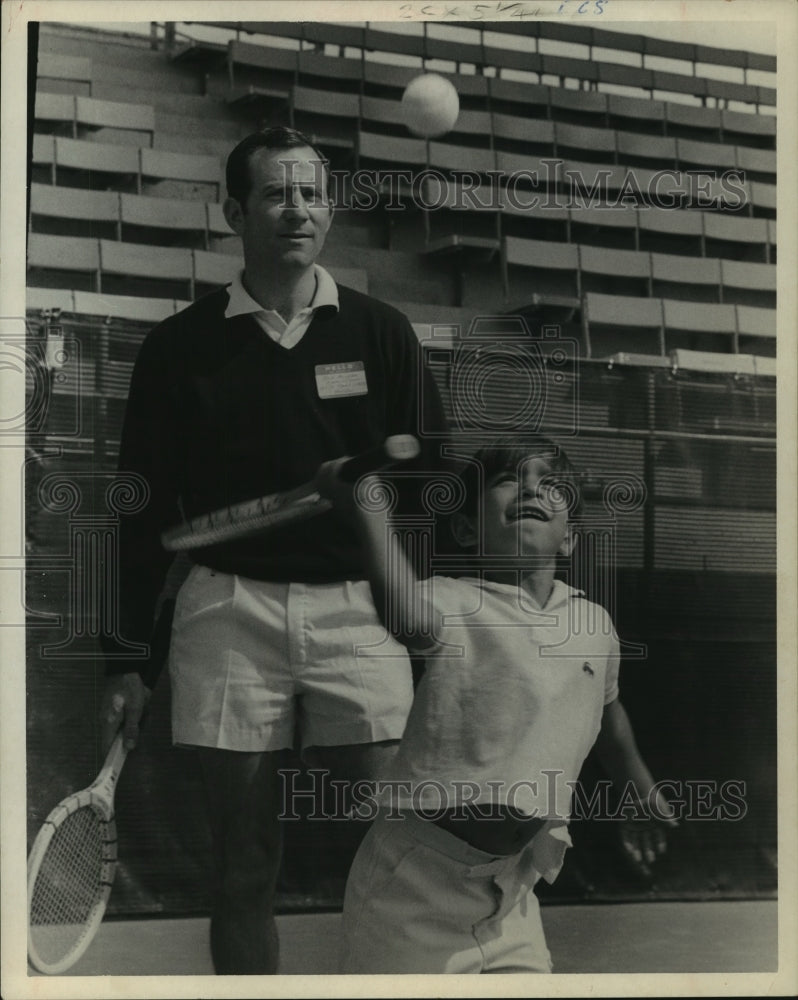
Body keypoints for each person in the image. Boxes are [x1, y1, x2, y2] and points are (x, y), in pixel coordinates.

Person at [98, 126, 447, 974]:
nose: (299, 210)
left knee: (401, 856)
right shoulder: (178, 348)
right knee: (242, 866)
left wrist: (430, 618)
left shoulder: (382, 332)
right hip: (227, 611)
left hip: (359, 613)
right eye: (277, 194)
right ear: (235, 212)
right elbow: (140, 510)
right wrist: (125, 659)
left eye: (313, 194)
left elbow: (435, 483)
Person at [316, 435, 676, 974]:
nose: (531, 488)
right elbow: (401, 614)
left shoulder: (594, 625)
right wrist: (367, 505)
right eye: (510, 480)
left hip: (515, 893)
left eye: (550, 484)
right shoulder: (449, 599)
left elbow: (608, 715)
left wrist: (638, 787)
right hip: (412, 885)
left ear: (569, 540)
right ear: (465, 529)